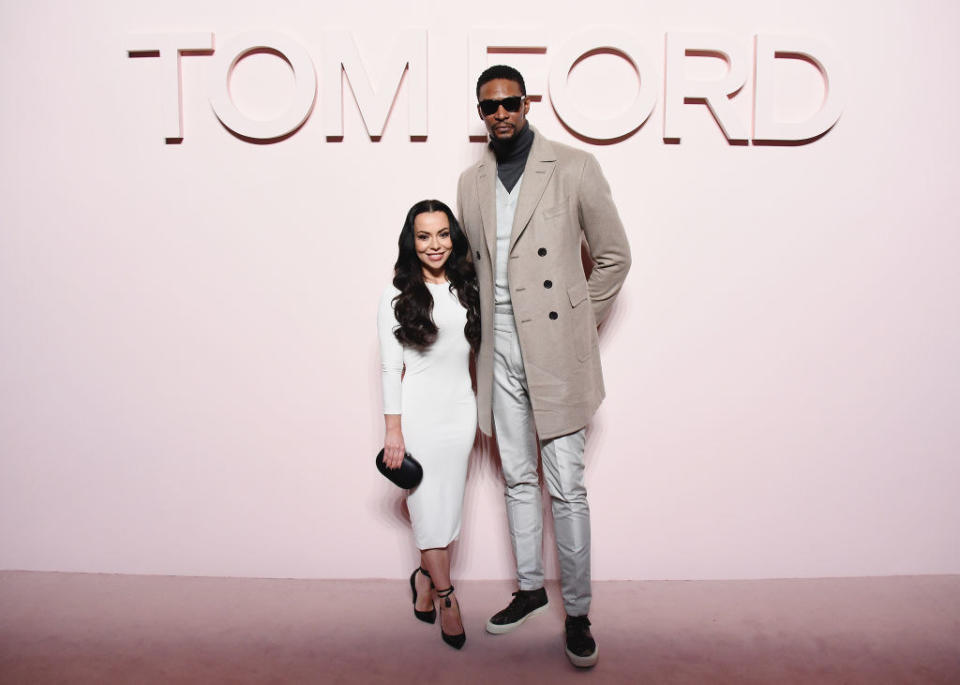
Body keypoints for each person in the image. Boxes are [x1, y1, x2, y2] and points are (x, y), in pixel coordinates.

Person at [456, 65, 631, 668]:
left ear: (527, 102)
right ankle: (531, 588)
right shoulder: (470, 180)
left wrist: (580, 321)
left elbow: (613, 258)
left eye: (509, 102)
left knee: (568, 486)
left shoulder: (574, 167)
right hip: (498, 341)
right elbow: (472, 269)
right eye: (488, 106)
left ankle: (577, 612)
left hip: (555, 345)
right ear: (480, 112)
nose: (500, 114)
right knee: (516, 475)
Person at [377, 199, 480, 650]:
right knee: (426, 508)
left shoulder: (466, 289)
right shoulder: (396, 295)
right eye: (423, 236)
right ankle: (446, 596)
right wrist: (393, 430)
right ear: (411, 241)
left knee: (448, 509)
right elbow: (388, 369)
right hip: (418, 417)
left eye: (442, 234)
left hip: (461, 413)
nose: (434, 244)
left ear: (453, 237)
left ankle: (422, 578)